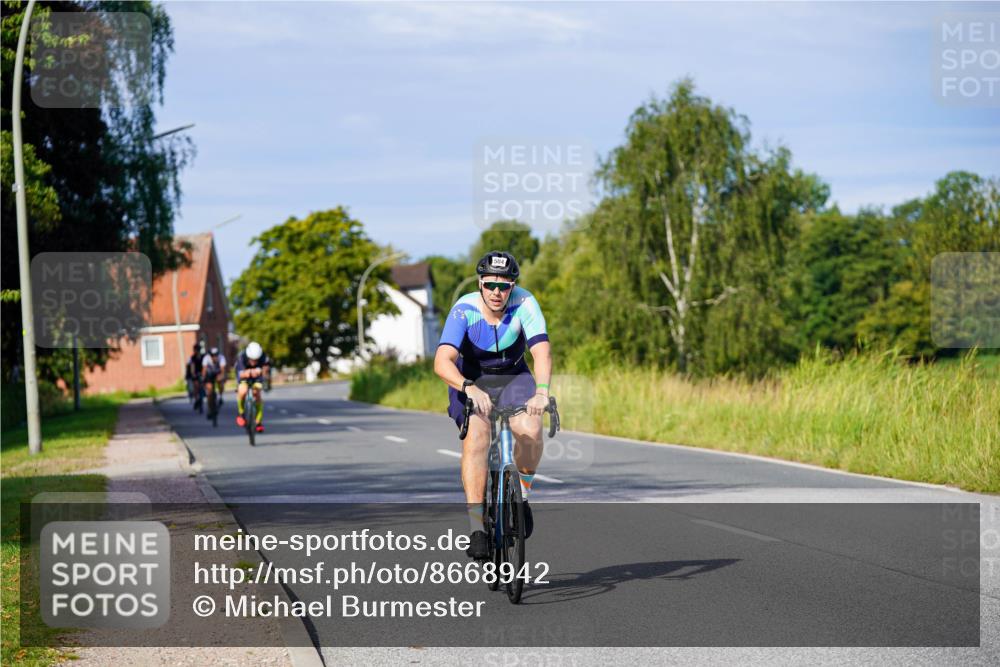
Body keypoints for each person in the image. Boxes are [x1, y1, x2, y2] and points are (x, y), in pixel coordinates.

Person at [433, 250, 552, 560]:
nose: (497, 292)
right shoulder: (464, 310)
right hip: (471, 378)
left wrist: (541, 392)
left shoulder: (525, 303)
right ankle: (477, 528)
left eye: (505, 285)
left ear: (513, 286)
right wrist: (467, 387)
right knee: (478, 436)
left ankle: (522, 497)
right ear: (480, 283)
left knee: (531, 427)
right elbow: (442, 361)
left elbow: (541, 353)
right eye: (490, 285)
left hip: (513, 375)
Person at [235, 341, 270, 433]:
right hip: (244, 377)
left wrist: (263, 375)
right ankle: (241, 413)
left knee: (257, 394)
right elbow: (240, 374)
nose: (254, 362)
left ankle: (258, 422)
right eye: (252, 360)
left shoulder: (263, 357)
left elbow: (266, 370)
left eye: (256, 360)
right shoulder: (242, 357)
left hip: (257, 378)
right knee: (243, 391)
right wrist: (249, 372)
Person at [201, 347, 224, 417]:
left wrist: (221, 377)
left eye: (216, 355)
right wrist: (203, 378)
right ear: (210, 355)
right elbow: (204, 370)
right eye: (213, 356)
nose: (214, 357)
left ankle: (220, 396)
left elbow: (222, 370)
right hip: (209, 374)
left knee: (220, 381)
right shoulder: (206, 358)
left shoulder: (221, 358)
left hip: (217, 372)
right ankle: (210, 409)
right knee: (209, 391)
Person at [186, 343, 204, 410]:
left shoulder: (203, 357)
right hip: (195, 374)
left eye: (198, 350)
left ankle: (202, 396)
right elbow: (192, 367)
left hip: (201, 373)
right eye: (196, 350)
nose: (197, 351)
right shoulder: (192, 358)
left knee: (202, 385)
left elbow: (204, 366)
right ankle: (196, 399)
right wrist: (193, 374)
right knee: (195, 386)